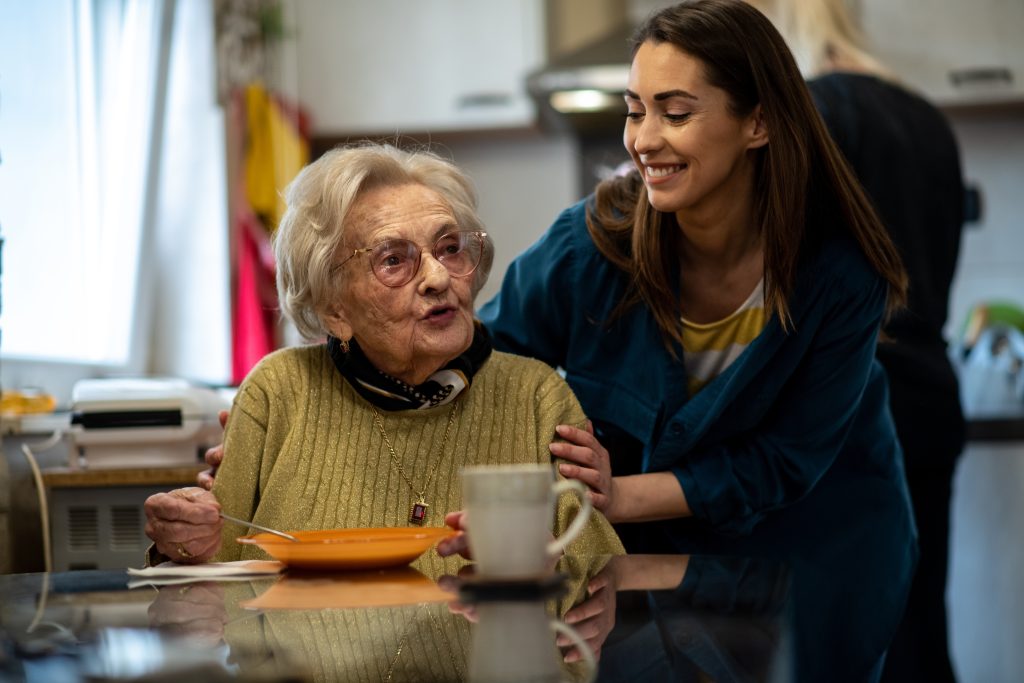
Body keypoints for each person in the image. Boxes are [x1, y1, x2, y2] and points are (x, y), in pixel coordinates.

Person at [478, 1, 915, 678]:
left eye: (674, 112)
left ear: (758, 122)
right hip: (647, 570)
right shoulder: (590, 247)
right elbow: (490, 364)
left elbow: (781, 462)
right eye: (634, 110)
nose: (643, 139)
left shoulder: (839, 275)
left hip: (815, 551)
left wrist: (617, 493)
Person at [143, 143, 623, 566]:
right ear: (334, 308)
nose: (438, 277)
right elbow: (214, 570)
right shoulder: (278, 391)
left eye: (450, 248)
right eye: (393, 259)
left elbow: (601, 584)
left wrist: (538, 561)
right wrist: (189, 540)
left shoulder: (537, 397)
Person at [743, 2, 966, 680]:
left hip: (848, 411)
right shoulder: (925, 116)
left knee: (843, 644)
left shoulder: (808, 115)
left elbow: (776, 273)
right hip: (929, 394)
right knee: (917, 628)